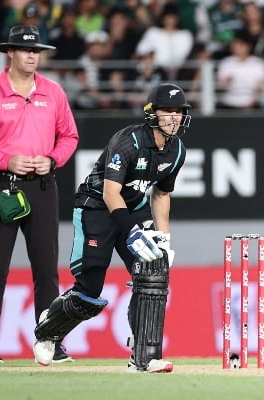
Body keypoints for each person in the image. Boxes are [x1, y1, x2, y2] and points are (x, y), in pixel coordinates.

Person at [32, 83, 191, 373]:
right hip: (97, 208)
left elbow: (161, 194)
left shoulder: (177, 151)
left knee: (153, 272)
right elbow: (110, 193)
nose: (174, 117)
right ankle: (48, 330)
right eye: (168, 111)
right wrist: (132, 232)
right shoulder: (127, 141)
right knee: (89, 291)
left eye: (179, 111)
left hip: (132, 208)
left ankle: (144, 357)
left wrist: (164, 238)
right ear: (152, 113)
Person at [0, 25, 79, 364]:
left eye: (36, 50)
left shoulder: (53, 92)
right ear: (9, 52)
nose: (31, 55)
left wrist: (52, 159)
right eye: (25, 49)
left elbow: (69, 136)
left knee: (45, 269)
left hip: (41, 185)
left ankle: (50, 342)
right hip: (0, 185)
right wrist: (5, 159)